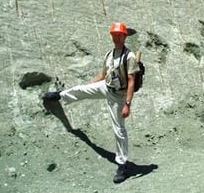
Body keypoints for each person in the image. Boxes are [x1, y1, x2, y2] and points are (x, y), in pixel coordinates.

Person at [43, 21, 143, 184]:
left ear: (124, 37)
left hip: (119, 96)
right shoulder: (109, 54)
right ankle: (60, 96)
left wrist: (127, 104)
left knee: (119, 130)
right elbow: (103, 74)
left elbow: (131, 81)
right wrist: (89, 87)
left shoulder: (129, 56)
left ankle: (122, 165)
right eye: (114, 35)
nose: (116, 38)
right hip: (107, 86)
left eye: (119, 35)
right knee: (81, 89)